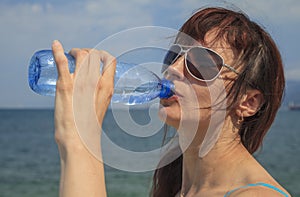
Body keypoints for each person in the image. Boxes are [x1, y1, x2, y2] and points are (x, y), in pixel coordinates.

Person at [52, 7, 291, 197]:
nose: (174, 69)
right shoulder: (178, 189)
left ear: (248, 102)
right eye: (174, 56)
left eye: (199, 63)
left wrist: (80, 138)